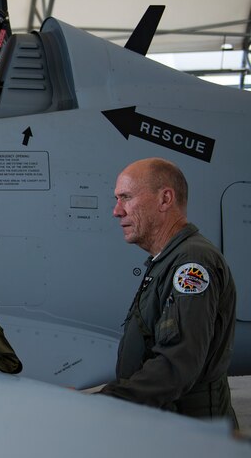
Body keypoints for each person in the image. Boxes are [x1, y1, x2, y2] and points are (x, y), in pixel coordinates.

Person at [101, 157, 237, 423]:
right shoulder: (168, 260)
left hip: (191, 435)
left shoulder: (192, 263)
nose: (117, 211)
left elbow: (178, 363)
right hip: (172, 425)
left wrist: (106, 402)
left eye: (126, 197)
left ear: (165, 199)